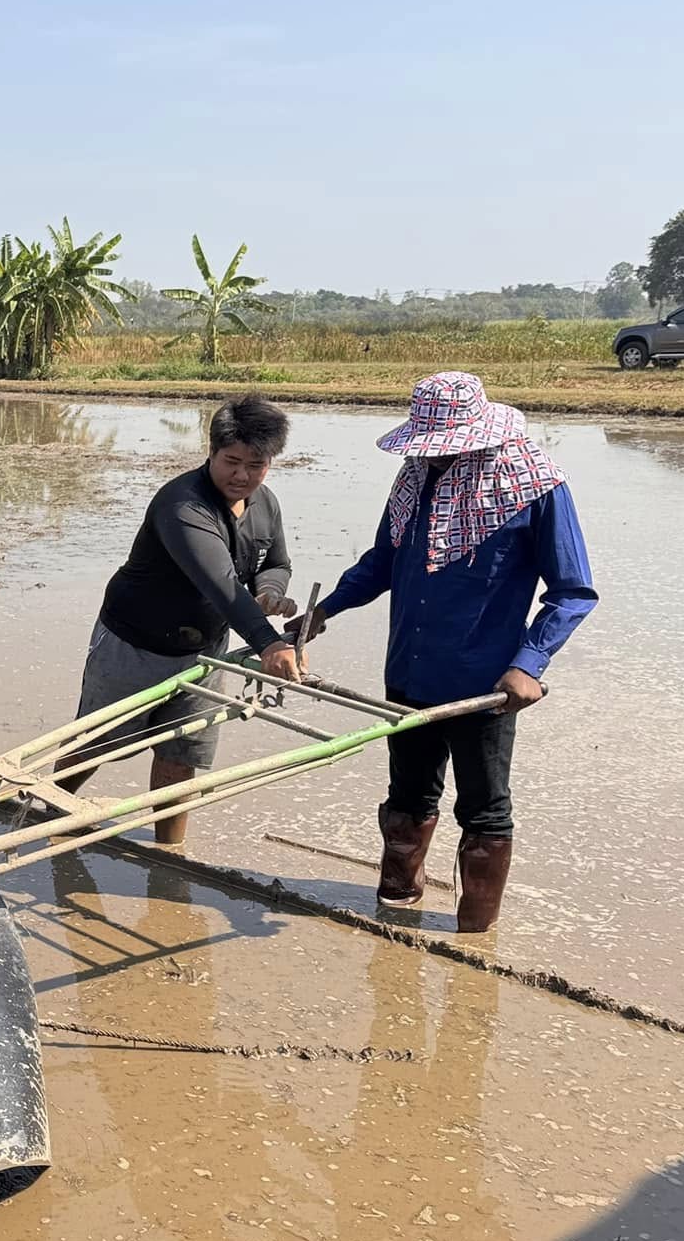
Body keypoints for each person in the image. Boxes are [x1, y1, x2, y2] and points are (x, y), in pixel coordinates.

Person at [298, 372, 597, 932]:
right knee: (407, 797)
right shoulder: (415, 478)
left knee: (484, 809)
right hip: (409, 669)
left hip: (484, 684)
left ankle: (474, 937)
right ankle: (394, 912)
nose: (434, 459)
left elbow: (573, 591)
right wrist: (325, 611)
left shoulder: (535, 488)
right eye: (428, 449)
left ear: (478, 437)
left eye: (445, 449)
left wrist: (529, 663)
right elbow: (383, 559)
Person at [61, 394, 302, 845]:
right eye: (232, 462)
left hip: (205, 650)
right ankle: (48, 810)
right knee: (97, 742)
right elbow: (221, 584)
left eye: (257, 465)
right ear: (211, 451)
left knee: (183, 750)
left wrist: (270, 591)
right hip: (136, 642)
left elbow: (276, 560)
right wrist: (269, 643)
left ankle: (169, 852)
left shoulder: (264, 503)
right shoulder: (183, 505)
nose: (243, 476)